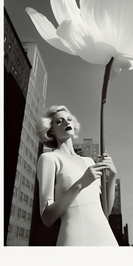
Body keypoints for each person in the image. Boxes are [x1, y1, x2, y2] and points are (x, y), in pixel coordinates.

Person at [35, 105, 119, 246]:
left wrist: (112, 176)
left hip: (106, 237)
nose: (66, 122)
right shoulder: (48, 159)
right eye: (59, 121)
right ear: (51, 131)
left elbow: (105, 211)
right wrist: (81, 184)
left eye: (69, 119)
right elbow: (47, 218)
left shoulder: (89, 161)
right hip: (76, 238)